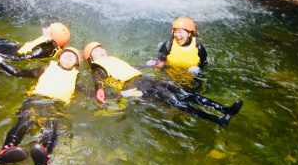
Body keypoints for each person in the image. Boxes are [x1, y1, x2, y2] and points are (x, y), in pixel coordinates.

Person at [84, 42, 243, 126]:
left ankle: (224, 108)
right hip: (135, 87)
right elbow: (97, 78)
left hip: (144, 80)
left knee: (184, 93)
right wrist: (99, 89)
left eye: (101, 48)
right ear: (90, 59)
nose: (101, 51)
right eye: (96, 51)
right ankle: (217, 121)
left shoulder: (112, 59)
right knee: (177, 102)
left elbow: (131, 69)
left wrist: (149, 65)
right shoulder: (97, 67)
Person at [0, 47, 82, 165]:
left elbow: (89, 92)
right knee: (27, 119)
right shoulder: (46, 68)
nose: (68, 56)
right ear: (59, 57)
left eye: (72, 56)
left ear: (76, 64)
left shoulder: (76, 78)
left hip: (57, 104)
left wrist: (105, 94)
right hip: (36, 100)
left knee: (53, 124)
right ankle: (6, 149)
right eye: (66, 53)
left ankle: (45, 155)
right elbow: (19, 72)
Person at [146, 17, 207, 85]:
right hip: (169, 78)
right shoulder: (167, 45)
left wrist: (198, 70)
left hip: (190, 79)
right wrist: (155, 63)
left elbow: (204, 64)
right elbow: (160, 61)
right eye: (175, 32)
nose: (177, 35)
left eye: (180, 32)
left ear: (189, 34)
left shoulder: (199, 48)